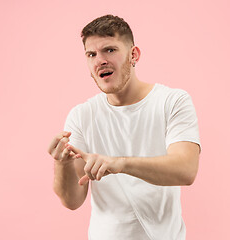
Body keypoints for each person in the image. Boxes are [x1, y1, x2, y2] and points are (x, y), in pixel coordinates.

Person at [47, 14, 201, 240]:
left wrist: (120, 163)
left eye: (109, 50)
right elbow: (72, 201)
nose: (100, 60)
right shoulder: (81, 116)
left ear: (133, 55)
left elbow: (186, 170)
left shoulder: (172, 101)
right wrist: (62, 164)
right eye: (91, 54)